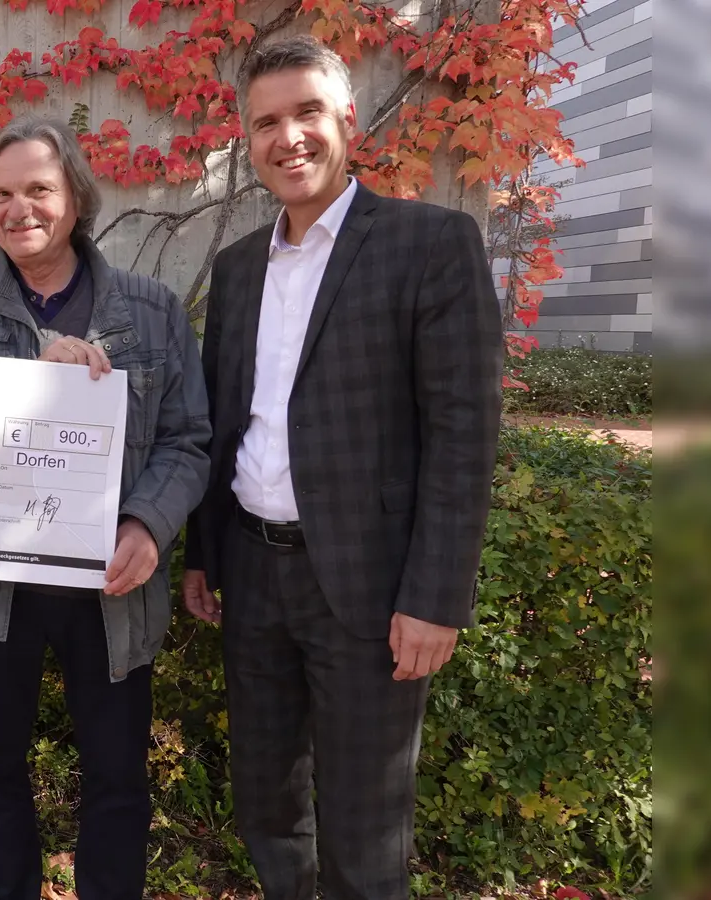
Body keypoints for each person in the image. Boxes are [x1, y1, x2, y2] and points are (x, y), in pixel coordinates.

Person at [180, 36, 503, 900]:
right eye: (266, 123)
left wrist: (435, 598)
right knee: (266, 802)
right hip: (252, 575)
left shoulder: (430, 244)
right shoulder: (240, 267)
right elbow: (226, 418)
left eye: (307, 113)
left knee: (366, 825)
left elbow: (463, 434)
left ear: (347, 121)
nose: (288, 138)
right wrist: (205, 553)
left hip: (366, 585)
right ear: (247, 142)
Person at [0, 118, 212, 900]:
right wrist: (27, 381)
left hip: (112, 589)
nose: (19, 209)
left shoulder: (149, 309)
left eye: (38, 189)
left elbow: (188, 438)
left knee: (116, 781)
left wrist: (149, 523)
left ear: (75, 196)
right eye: (0, 194)